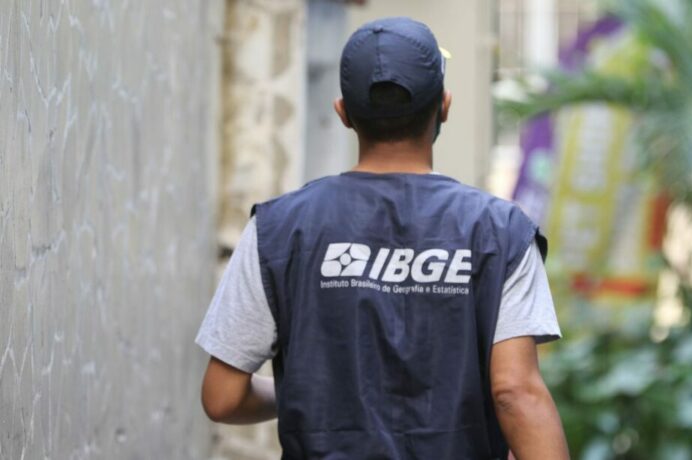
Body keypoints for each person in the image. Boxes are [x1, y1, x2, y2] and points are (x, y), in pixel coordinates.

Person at [195, 17, 569, 460]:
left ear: (342, 113)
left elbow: (222, 397)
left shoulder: (277, 229)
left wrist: (311, 396)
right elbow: (516, 393)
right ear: (444, 106)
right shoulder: (501, 232)